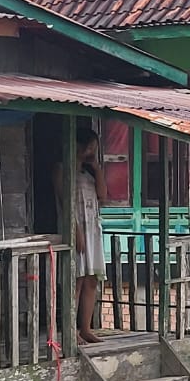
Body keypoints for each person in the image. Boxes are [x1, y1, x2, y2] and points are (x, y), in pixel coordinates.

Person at [69, 127, 107, 344]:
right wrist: (77, 232)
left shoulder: (89, 173)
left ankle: (86, 328)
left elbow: (102, 194)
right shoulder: (63, 169)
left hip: (92, 228)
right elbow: (65, 201)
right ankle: (71, 328)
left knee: (91, 280)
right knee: (77, 279)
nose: (91, 151)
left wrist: (95, 167)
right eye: (88, 147)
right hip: (75, 227)